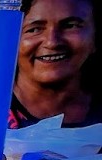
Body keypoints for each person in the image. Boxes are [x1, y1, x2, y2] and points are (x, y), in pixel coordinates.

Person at [10, 0, 99, 128]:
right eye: (34, 29)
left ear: (94, 37)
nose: (52, 42)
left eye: (70, 26)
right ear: (10, 38)